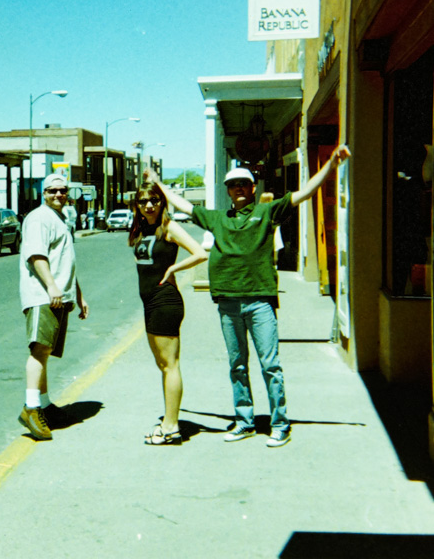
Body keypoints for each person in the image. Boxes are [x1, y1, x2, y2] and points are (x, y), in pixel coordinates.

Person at [145, 144, 351, 448]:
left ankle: (280, 423)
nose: (238, 189)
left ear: (253, 188)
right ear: (228, 191)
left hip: (260, 301)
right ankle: (245, 421)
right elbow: (182, 205)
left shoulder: (267, 212)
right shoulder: (217, 219)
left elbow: (305, 192)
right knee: (237, 364)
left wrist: (331, 165)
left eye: (243, 184)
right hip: (227, 301)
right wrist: (158, 182)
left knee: (270, 364)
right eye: (233, 185)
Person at [129, 182, 207, 445]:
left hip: (166, 301)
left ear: (162, 202)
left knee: (170, 365)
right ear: (137, 206)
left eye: (154, 200)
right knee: (163, 365)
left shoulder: (169, 227)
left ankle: (172, 427)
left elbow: (199, 253)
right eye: (143, 201)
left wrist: (174, 269)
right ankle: (168, 420)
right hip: (149, 301)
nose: (149, 205)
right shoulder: (142, 229)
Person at [18, 173, 89, 440]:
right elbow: (37, 256)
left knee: (45, 351)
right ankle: (31, 408)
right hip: (43, 294)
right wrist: (50, 286)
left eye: (62, 190)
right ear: (43, 193)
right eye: (52, 191)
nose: (58, 194)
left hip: (59, 294)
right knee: (40, 348)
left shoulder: (60, 218)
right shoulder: (38, 218)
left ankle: (45, 405)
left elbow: (66, 261)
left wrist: (78, 294)